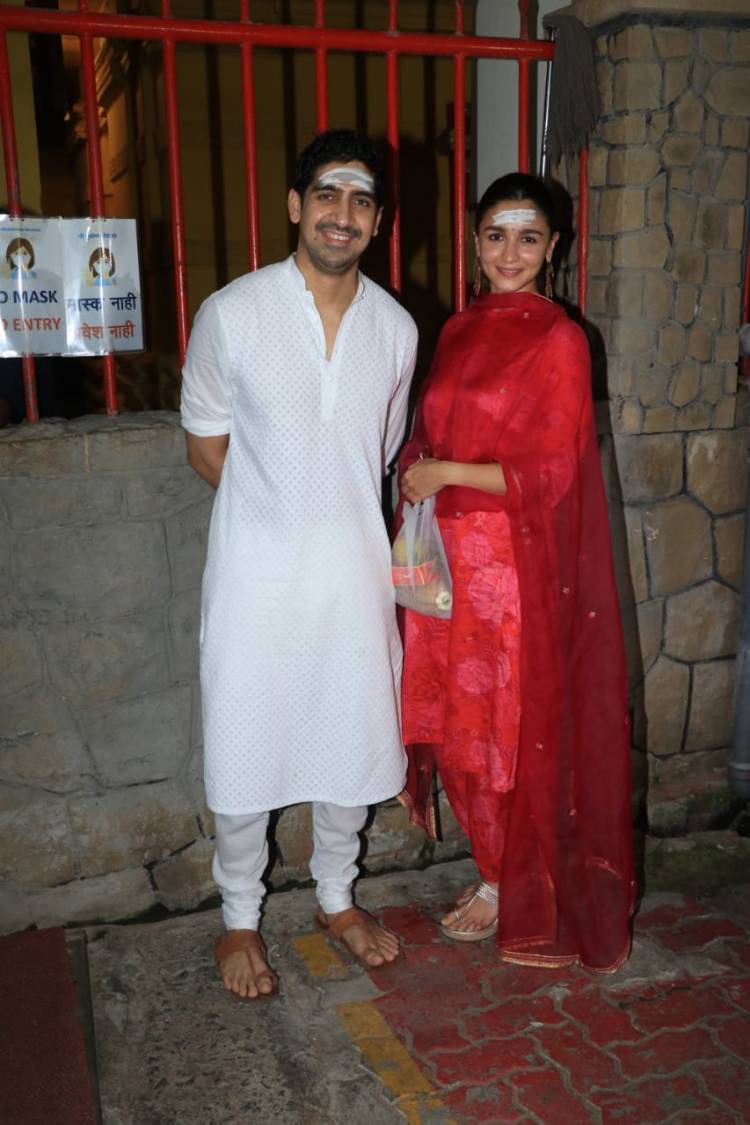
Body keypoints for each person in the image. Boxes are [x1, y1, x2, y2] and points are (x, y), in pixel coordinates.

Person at [181, 130, 418, 999]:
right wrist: (277, 514)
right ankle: (238, 919)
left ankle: (335, 897)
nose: (341, 213)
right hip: (255, 578)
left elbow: (376, 453)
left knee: (350, 735)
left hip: (353, 578)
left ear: (377, 219)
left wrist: (327, 519)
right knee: (247, 739)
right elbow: (206, 444)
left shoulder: (395, 328)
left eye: (360, 200)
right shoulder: (231, 312)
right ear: (295, 205)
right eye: (326, 194)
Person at [397, 172, 634, 973]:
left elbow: (550, 473)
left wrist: (447, 474)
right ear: (474, 241)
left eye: (528, 238)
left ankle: (512, 884)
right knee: (451, 732)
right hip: (439, 563)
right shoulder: (460, 329)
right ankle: (491, 868)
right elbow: (435, 432)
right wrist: (417, 470)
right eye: (496, 234)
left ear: (553, 248)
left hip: (509, 571)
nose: (510, 252)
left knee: (503, 736)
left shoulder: (560, 340)